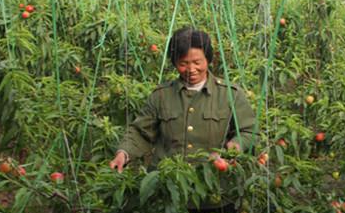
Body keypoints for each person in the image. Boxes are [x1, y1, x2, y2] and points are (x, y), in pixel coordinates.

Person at [109, 27, 256, 172]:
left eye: (197, 62)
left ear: (208, 59)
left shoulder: (230, 94)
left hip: (213, 179)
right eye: (183, 64)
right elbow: (141, 132)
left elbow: (249, 131)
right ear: (174, 63)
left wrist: (235, 146)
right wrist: (124, 153)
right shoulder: (161, 96)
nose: (191, 69)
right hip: (168, 179)